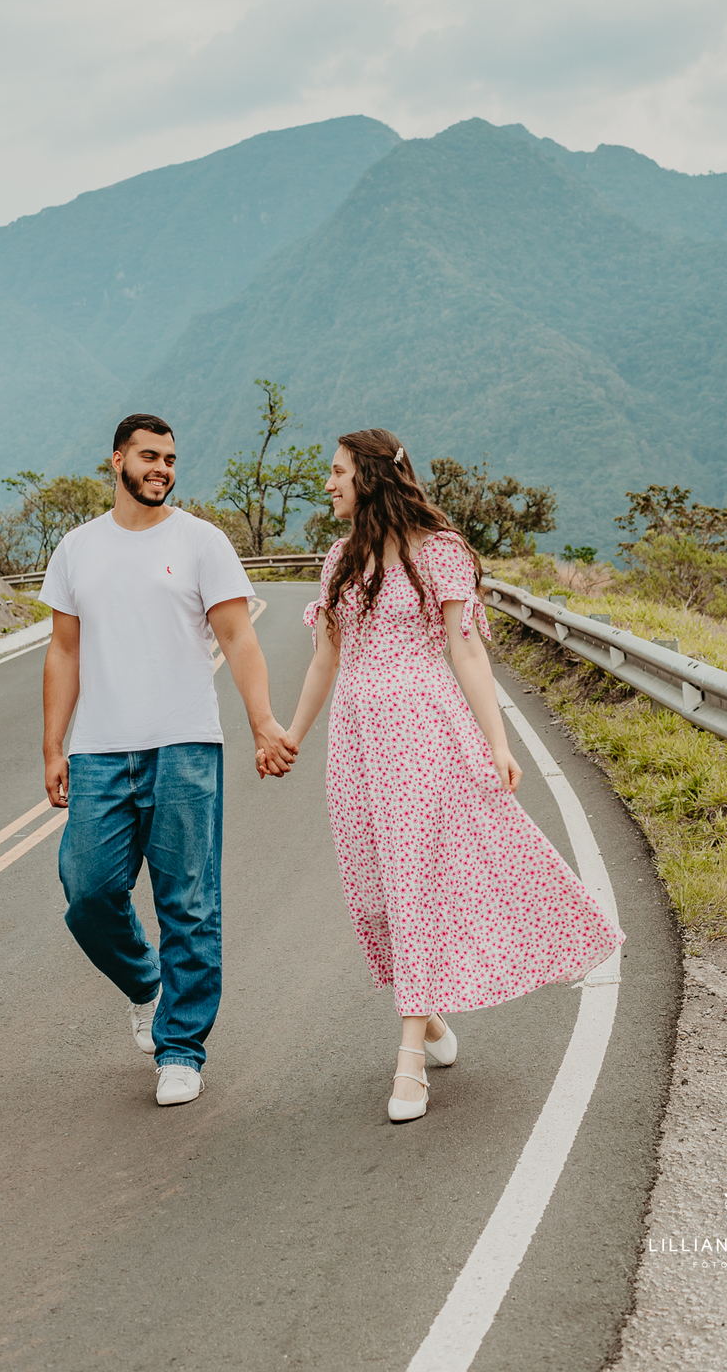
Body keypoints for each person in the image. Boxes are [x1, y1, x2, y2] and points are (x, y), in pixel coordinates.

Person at [261, 428, 623, 1123]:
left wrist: (498, 741)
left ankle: (408, 1063)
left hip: (426, 737)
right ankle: (427, 1016)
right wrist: (292, 737)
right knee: (372, 895)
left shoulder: (441, 556)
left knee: (414, 890)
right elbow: (324, 662)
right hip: (359, 744)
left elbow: (467, 654)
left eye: (337, 473)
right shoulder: (341, 559)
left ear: (369, 476)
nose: (328, 484)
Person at [41, 412, 298, 1107]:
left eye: (172, 459)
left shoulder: (201, 543)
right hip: (99, 751)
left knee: (188, 903)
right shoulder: (77, 549)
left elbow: (240, 639)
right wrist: (53, 745)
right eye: (150, 457)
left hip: (185, 744)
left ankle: (180, 1048)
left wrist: (263, 721)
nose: (163, 468)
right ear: (117, 459)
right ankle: (147, 985)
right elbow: (64, 651)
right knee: (88, 889)